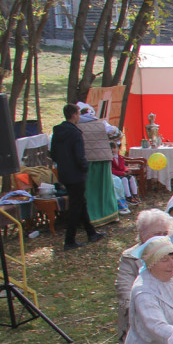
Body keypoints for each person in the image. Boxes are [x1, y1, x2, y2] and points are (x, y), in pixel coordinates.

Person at [50, 103, 103, 251]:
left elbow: (53, 153)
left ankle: (91, 233)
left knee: (80, 202)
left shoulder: (57, 132)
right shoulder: (75, 133)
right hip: (76, 174)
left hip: (65, 173)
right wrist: (84, 167)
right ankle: (69, 239)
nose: (79, 117)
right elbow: (79, 155)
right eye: (79, 114)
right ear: (74, 115)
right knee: (75, 206)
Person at [117, 209, 173, 341]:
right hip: (140, 321)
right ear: (142, 235)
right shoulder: (129, 257)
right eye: (157, 234)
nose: (162, 238)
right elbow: (124, 291)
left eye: (165, 234)